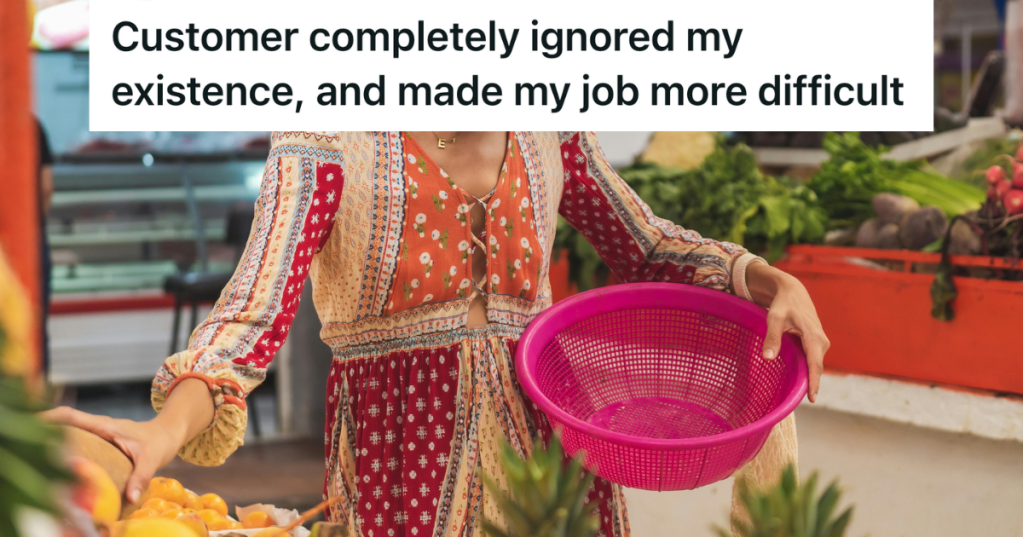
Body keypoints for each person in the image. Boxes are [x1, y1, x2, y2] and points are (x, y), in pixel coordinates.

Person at [46, 131, 829, 536]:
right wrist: (162, 431)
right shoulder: (327, 137)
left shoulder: (548, 127)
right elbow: (250, 312)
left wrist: (769, 280)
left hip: (553, 464)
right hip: (403, 468)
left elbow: (649, 243)